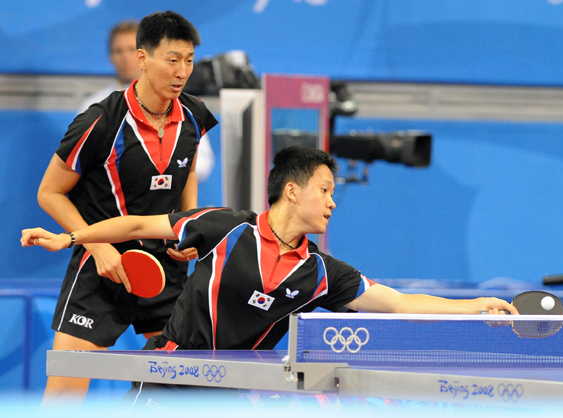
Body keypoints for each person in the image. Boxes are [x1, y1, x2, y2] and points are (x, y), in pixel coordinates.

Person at [26, 146, 517, 402]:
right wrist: (72, 238)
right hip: (168, 380)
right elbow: (137, 223)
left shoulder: (321, 273)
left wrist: (475, 306)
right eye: (324, 189)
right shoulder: (223, 228)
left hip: (233, 390)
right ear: (291, 191)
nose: (332, 201)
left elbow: (398, 303)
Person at [36, 10, 218, 403]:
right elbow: (49, 192)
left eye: (188, 60)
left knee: (179, 385)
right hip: (102, 267)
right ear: (142, 58)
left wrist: (186, 230)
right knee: (65, 391)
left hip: (165, 268)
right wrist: (96, 246)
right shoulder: (101, 121)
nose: (182, 71)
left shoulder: (194, 116)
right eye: (172, 59)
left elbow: (186, 174)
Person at [77, 19, 215, 181]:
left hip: (168, 199)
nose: (125, 58)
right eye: (118, 51)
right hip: (111, 200)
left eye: (131, 50)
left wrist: (161, 170)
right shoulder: (93, 106)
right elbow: (79, 162)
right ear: (111, 57)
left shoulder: (182, 104)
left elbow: (203, 164)